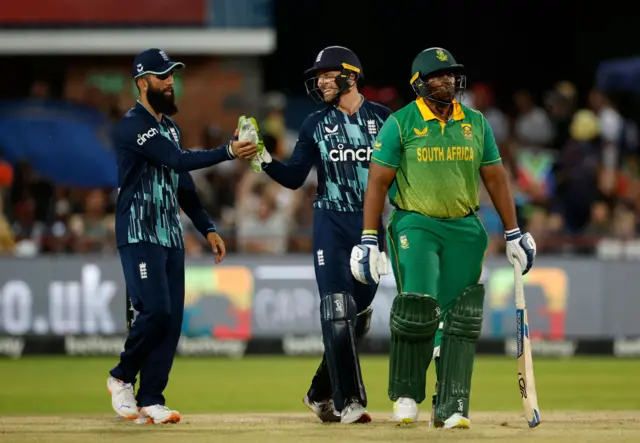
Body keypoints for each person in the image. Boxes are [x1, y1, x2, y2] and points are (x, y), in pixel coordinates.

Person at [350, 47, 537, 428]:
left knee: (459, 319)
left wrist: (514, 232)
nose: (448, 80)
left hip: (465, 229)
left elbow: (496, 178)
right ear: (419, 83)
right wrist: (369, 238)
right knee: (419, 306)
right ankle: (406, 393)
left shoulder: (476, 122)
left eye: (452, 74)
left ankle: (451, 404)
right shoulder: (401, 123)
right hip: (415, 224)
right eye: (439, 75)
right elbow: (378, 182)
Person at [236, 46, 391, 424]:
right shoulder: (314, 124)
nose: (319, 81)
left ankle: (317, 394)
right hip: (330, 224)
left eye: (326, 74)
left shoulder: (387, 121)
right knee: (337, 309)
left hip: (371, 227)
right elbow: (292, 178)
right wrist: (261, 156)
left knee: (359, 317)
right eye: (317, 75)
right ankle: (349, 400)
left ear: (350, 76)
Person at [107, 48, 257, 424]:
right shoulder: (133, 124)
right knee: (155, 311)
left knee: (171, 321)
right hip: (139, 232)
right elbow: (177, 160)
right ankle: (121, 376)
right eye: (162, 76)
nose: (170, 81)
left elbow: (183, 185)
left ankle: (152, 398)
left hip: (170, 236)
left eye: (172, 74)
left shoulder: (169, 127)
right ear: (143, 83)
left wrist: (207, 227)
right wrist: (227, 150)